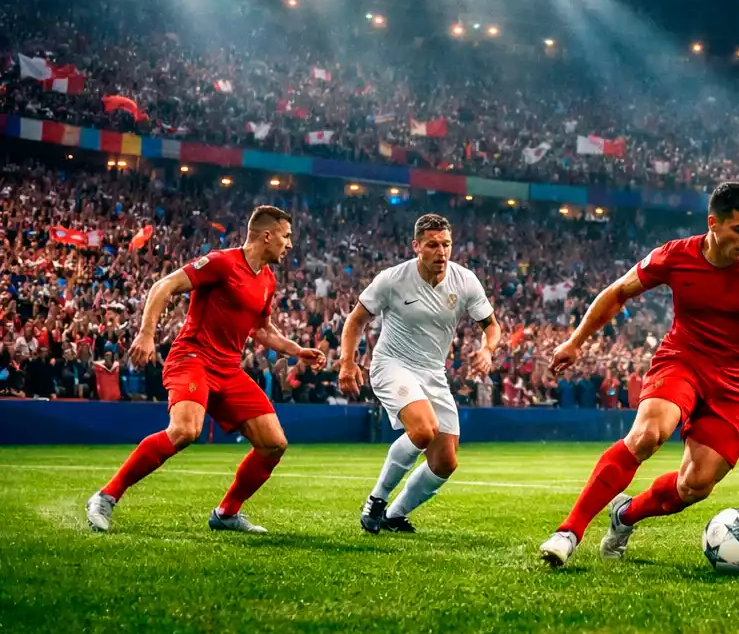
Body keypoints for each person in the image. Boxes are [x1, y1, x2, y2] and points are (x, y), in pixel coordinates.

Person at [537, 182, 739, 567]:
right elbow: (618, 291)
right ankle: (569, 532)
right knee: (646, 435)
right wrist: (576, 342)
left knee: (695, 485)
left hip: (738, 382)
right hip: (683, 361)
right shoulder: (675, 256)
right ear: (713, 223)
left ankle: (624, 516)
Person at [85, 206, 324, 533]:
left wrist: (297, 350)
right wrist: (146, 334)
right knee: (185, 431)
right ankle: (106, 496)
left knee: (273, 442)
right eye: (286, 236)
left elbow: (262, 330)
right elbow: (163, 286)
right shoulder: (222, 262)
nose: (290, 244)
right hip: (193, 357)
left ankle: (226, 513)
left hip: (228, 368)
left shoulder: (267, 279)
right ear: (266, 235)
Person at [340, 213, 500, 534]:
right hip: (392, 364)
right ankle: (377, 499)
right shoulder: (392, 279)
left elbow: (491, 327)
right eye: (432, 245)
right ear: (416, 246)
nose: (441, 252)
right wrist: (347, 362)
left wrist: (487, 350)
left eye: (446, 245)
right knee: (424, 430)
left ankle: (394, 515)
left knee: (445, 462)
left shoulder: (465, 280)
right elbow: (356, 320)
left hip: (432, 372)